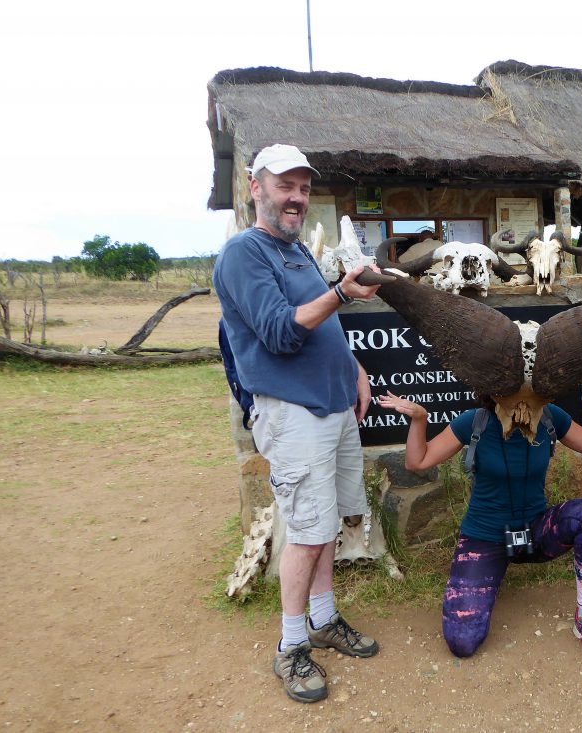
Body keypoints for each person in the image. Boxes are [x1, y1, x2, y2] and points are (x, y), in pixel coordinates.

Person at [213, 144, 383, 704]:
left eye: (304, 188)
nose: (296, 198)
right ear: (255, 189)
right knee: (307, 533)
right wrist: (340, 293)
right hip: (294, 414)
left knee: (326, 522)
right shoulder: (244, 254)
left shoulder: (296, 254)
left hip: (333, 406)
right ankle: (291, 646)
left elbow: (321, 326)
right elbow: (282, 332)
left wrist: (354, 368)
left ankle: (324, 618)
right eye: (285, 185)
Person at [378, 385, 582, 662]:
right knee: (462, 641)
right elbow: (416, 461)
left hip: (535, 532)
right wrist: (420, 419)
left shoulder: (549, 417)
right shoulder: (475, 421)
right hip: (485, 536)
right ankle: (489, 573)